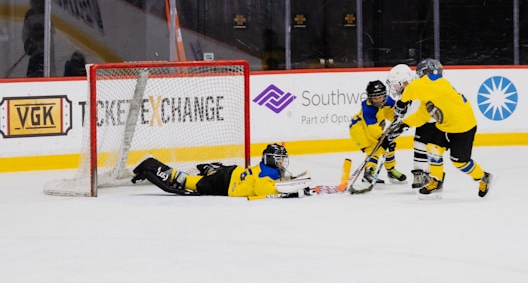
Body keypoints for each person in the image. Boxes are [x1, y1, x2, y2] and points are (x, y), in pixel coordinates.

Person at [389, 58, 493, 199]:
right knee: (433, 148)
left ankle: (483, 177)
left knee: (460, 162)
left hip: (463, 127)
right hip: (446, 126)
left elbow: (415, 87)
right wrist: (404, 124)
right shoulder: (429, 90)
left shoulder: (439, 84)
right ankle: (436, 181)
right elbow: (423, 114)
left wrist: (402, 102)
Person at [131, 143, 312, 198]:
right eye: (279, 159)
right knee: (187, 182)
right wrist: (292, 193)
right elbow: (261, 191)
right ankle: (150, 165)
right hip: (223, 183)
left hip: (231, 173)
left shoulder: (268, 169)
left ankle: (210, 169)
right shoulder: (267, 173)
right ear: (272, 160)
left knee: (201, 178)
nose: (282, 162)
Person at [348, 80, 407, 193]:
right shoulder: (368, 108)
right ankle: (369, 172)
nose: (379, 100)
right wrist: (382, 138)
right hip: (359, 130)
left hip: (375, 128)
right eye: (375, 98)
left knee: (390, 145)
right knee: (374, 149)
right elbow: (372, 130)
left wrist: (401, 112)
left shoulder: (388, 100)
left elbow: (392, 114)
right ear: (370, 98)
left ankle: (391, 170)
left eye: (381, 96)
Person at [386, 63, 433, 189]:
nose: (395, 88)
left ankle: (428, 176)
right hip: (426, 121)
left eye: (396, 85)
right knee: (421, 144)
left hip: (434, 122)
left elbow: (412, 116)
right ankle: (427, 175)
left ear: (405, 82)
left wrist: (394, 131)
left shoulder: (416, 89)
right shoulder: (410, 89)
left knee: (423, 145)